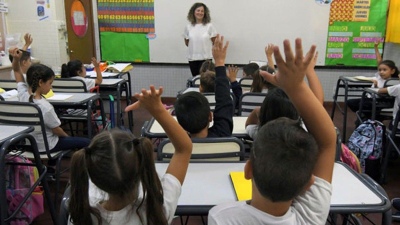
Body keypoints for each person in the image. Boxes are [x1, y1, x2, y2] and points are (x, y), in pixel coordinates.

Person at [208, 38, 336, 224]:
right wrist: (297, 86)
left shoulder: (221, 218)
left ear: (248, 169)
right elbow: (327, 142)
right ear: (309, 183)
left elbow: (326, 143)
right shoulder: (311, 217)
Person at [68, 85, 192, 225]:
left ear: (93, 179)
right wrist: (157, 109)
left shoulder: (81, 215)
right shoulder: (157, 211)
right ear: (141, 168)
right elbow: (184, 148)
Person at [10, 48, 90, 153]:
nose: (51, 87)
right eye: (50, 83)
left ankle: (49, 164)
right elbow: (57, 130)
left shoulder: (22, 94)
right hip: (47, 146)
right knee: (87, 142)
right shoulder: (45, 107)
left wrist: (16, 59)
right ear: (40, 82)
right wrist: (68, 138)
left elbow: (16, 70)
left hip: (29, 145)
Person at [245, 51, 325, 140]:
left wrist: (257, 111)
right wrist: (310, 71)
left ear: (265, 111)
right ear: (297, 113)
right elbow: (318, 106)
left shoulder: (260, 134)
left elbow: (248, 125)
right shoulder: (303, 135)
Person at [175, 34, 233, 138]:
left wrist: (157, 109)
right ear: (211, 116)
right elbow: (224, 100)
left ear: (180, 125)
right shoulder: (223, 133)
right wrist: (219, 63)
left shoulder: (181, 147)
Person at [347, 40, 399, 119]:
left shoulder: (393, 81)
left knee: (355, 104)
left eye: (385, 70)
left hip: (378, 101)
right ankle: (371, 117)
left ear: (392, 71)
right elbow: (379, 61)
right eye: (380, 70)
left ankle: (370, 117)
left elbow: (385, 92)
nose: (381, 72)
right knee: (352, 103)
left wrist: (376, 86)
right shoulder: (379, 77)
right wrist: (376, 47)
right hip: (370, 99)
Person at [184, 2, 217, 76]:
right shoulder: (188, 27)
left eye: (202, 11)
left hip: (206, 59)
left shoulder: (209, 26)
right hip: (192, 59)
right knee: (195, 80)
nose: (200, 13)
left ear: (205, 13)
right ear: (193, 12)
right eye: (198, 10)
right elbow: (187, 43)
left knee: (207, 80)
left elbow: (215, 42)